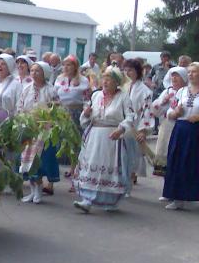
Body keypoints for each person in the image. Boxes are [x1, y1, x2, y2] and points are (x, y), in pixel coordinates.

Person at [73, 67, 135, 213]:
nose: (105, 82)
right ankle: (87, 200)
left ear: (117, 82)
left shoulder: (123, 97)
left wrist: (121, 129)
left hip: (112, 138)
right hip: (94, 136)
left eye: (109, 79)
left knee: (109, 168)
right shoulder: (96, 96)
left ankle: (110, 200)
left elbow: (131, 117)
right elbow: (88, 117)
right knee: (91, 165)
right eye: (104, 78)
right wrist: (86, 114)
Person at [19, 62, 59, 203]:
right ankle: (31, 190)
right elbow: (21, 106)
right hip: (29, 128)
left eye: (38, 71)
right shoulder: (26, 89)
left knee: (38, 161)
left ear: (45, 74)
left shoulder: (50, 90)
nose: (34, 73)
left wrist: (47, 120)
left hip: (44, 129)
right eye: (33, 70)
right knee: (27, 159)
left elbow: (56, 110)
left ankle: (39, 190)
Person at [163, 62, 199, 210]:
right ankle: (177, 197)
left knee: (194, 163)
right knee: (177, 161)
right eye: (189, 72)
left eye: (194, 72)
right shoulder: (182, 91)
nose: (190, 75)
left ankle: (193, 194)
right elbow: (170, 111)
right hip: (181, 129)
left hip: (196, 131)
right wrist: (175, 113)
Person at [54, 55, 90, 187]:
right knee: (62, 141)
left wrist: (86, 111)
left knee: (75, 141)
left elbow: (87, 98)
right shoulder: (60, 79)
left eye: (69, 65)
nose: (66, 67)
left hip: (76, 112)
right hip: (62, 112)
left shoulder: (83, 80)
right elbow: (55, 95)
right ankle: (61, 167)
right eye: (65, 64)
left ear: (75, 67)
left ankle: (75, 168)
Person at [121, 58, 153, 194]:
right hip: (120, 124)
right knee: (119, 156)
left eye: (131, 70)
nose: (128, 73)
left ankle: (127, 185)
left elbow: (147, 111)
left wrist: (143, 130)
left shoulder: (145, 90)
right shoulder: (122, 86)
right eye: (126, 70)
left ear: (137, 72)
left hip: (134, 125)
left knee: (130, 157)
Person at [150, 67, 187, 176]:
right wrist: (162, 102)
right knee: (164, 151)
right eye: (173, 75)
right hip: (166, 126)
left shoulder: (188, 92)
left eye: (177, 76)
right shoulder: (167, 91)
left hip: (181, 126)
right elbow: (155, 112)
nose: (174, 78)